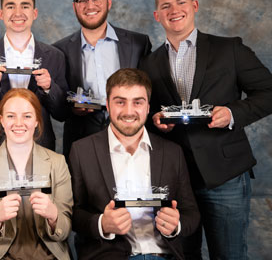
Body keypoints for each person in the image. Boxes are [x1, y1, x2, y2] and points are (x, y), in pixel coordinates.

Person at [139, 0, 272, 259]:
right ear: (157, 15)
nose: (174, 10)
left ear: (195, 6)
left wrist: (234, 113)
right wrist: (155, 120)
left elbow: (268, 92)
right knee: (183, 255)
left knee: (230, 255)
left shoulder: (229, 49)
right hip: (177, 180)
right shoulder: (149, 63)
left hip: (226, 175)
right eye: (166, 6)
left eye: (181, 2)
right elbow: (149, 113)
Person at [69, 68, 200, 260]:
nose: (129, 112)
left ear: (148, 107)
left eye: (137, 102)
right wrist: (101, 224)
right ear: (107, 104)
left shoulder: (173, 152)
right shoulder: (81, 151)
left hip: (163, 255)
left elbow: (191, 213)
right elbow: (73, 213)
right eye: (120, 102)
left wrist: (176, 224)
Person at [53, 0, 152, 158]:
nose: (90, 6)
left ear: (109, 2)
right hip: (81, 141)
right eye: (82, 0)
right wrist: (72, 109)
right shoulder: (59, 50)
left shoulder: (138, 43)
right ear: (74, 6)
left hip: (132, 138)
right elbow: (58, 106)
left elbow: (151, 90)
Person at [0, 0, 68, 155]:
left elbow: (62, 113)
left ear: (34, 13)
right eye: (10, 6)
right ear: (1, 13)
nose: (18, 13)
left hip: (41, 148)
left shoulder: (54, 56)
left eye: (25, 6)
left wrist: (49, 88)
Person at [0, 88, 73, 259]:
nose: (19, 123)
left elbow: (65, 230)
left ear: (36, 121)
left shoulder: (57, 163)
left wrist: (54, 216)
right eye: (11, 116)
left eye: (27, 116)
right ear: (2, 121)